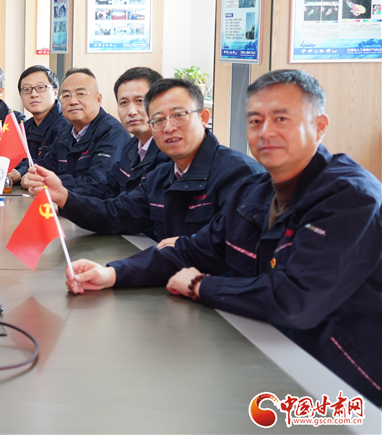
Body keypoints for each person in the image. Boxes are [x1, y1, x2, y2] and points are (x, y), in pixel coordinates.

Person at [65, 70, 381, 406]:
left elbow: (294, 300)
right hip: (268, 358)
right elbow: (194, 250)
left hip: (344, 381)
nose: (266, 132)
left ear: (319, 126)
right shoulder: (255, 191)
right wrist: (112, 273)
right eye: (255, 121)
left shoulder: (349, 197)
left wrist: (201, 286)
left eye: (281, 119)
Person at [26, 77, 262, 242]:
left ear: (203, 118)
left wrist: (186, 250)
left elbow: (238, 253)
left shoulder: (240, 175)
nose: (168, 127)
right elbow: (117, 213)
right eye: (158, 120)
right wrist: (63, 196)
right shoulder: (160, 173)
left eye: (178, 116)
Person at [69, 67, 170, 198]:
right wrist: (63, 195)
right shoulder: (130, 146)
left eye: (140, 101)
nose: (131, 111)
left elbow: (131, 205)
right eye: (124, 103)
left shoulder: (171, 153)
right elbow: (105, 188)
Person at [22, 67, 129, 191]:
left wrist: (47, 182)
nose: (73, 101)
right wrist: (29, 174)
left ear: (98, 99)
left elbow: (98, 183)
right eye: (66, 96)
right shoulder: (66, 133)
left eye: (80, 94)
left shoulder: (112, 132)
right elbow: (45, 164)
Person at [14, 65, 69, 178]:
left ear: (55, 92)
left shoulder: (67, 127)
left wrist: (20, 171)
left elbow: (51, 164)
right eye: (26, 89)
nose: (33, 94)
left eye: (40, 87)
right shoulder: (24, 128)